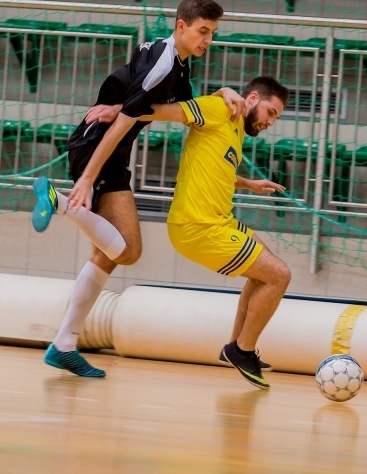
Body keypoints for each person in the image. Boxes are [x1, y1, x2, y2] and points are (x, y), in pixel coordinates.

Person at [31, 0, 243, 378]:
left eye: (212, 33)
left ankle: (63, 344)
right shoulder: (164, 64)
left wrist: (224, 93)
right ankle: (61, 202)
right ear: (181, 26)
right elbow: (122, 125)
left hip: (104, 147)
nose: (208, 41)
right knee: (128, 251)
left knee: (107, 256)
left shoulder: (176, 62)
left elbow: (186, 112)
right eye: (203, 32)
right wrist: (87, 179)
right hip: (100, 146)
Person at [70, 76, 292, 389]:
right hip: (197, 227)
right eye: (272, 112)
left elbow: (216, 169)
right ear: (253, 98)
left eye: (276, 118)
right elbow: (167, 111)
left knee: (264, 270)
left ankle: (235, 347)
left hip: (218, 221)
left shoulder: (235, 129)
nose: (272, 122)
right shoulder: (218, 108)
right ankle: (243, 350)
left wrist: (249, 184)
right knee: (279, 275)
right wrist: (120, 110)